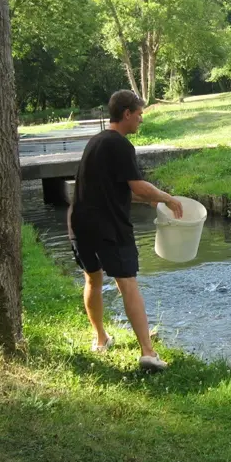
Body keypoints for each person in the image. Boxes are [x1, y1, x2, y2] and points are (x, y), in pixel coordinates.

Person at [68, 89, 183, 371]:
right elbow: (137, 186)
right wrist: (168, 198)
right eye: (139, 114)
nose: (141, 119)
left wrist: (149, 198)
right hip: (109, 226)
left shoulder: (95, 142)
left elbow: (113, 188)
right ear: (127, 113)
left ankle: (100, 339)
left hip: (79, 222)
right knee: (127, 284)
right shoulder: (120, 145)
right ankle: (147, 352)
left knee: (92, 280)